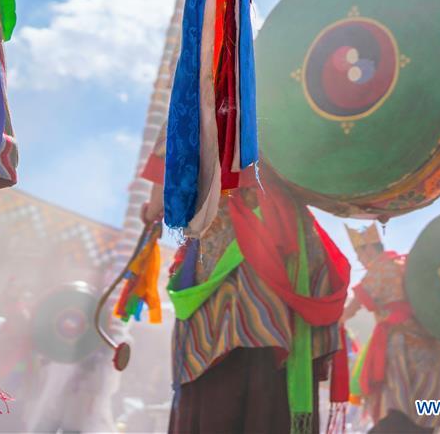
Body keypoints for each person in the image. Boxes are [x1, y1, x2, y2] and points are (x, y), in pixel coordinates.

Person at [141, 164, 351, 434]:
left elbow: (169, 164)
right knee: (273, 360)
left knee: (219, 360)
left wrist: (151, 210)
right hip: (288, 237)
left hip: (226, 232)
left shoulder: (196, 118)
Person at [342, 224, 440, 433]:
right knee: (426, 417)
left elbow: (353, 307)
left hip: (401, 347)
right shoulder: (407, 264)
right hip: (430, 346)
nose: (359, 260)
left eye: (359, 254)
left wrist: (333, 321)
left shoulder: (381, 267)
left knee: (396, 411)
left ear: (369, 249)